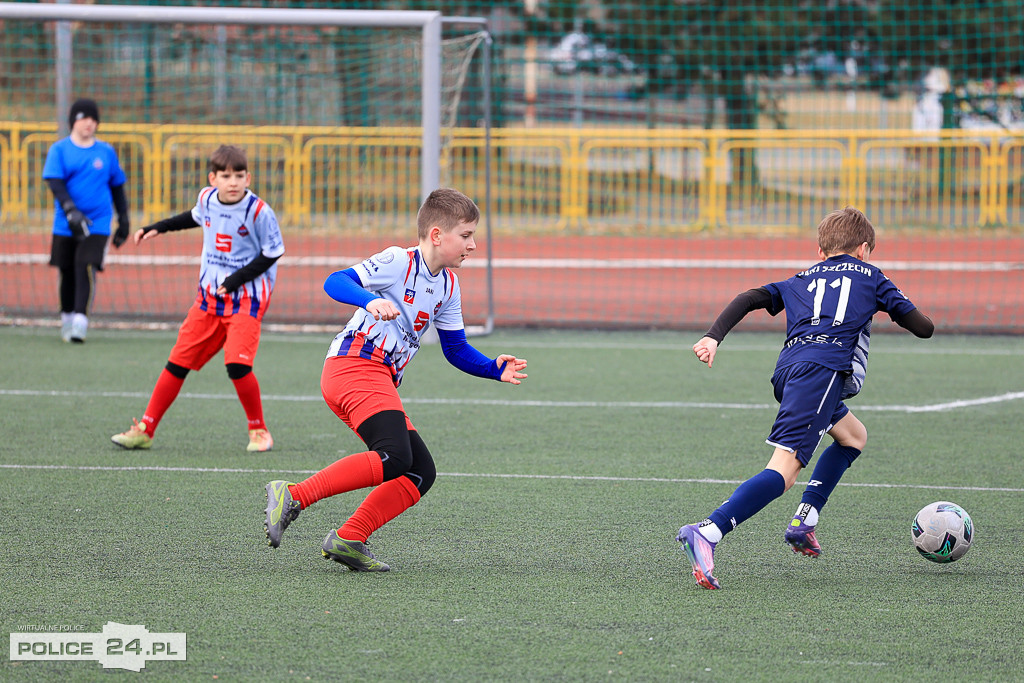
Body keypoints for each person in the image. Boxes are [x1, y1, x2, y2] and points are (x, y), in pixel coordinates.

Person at [262, 188, 528, 572]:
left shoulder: (449, 286)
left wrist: (491, 367)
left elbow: (455, 349)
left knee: (420, 471)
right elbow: (335, 281)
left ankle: (349, 538)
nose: (473, 245)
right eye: (466, 236)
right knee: (394, 456)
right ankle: (293, 494)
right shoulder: (397, 260)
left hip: (375, 376)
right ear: (437, 235)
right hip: (354, 365)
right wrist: (368, 300)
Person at [677, 207, 934, 590]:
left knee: (853, 437)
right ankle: (709, 531)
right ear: (864, 249)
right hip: (822, 374)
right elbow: (923, 328)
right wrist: (888, 301)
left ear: (820, 250)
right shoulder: (872, 276)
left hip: (789, 372)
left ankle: (805, 520)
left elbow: (748, 297)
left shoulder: (801, 278)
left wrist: (713, 336)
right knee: (784, 470)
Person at [110, 145, 284, 453]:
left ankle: (259, 431)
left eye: (239, 176)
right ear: (213, 178)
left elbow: (273, 252)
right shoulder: (206, 198)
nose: (233, 182)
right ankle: (145, 429)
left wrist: (234, 281)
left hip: (246, 299)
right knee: (177, 363)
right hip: (208, 300)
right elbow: (194, 217)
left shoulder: (259, 212)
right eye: (226, 176)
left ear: (248, 178)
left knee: (237, 366)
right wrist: (157, 228)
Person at [43, 98, 130, 343]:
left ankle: (80, 321)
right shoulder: (59, 150)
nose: (89, 124)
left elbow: (117, 186)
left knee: (85, 265)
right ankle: (67, 317)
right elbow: (55, 182)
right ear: (73, 121)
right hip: (65, 223)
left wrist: (123, 219)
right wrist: (70, 209)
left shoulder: (105, 152)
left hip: (98, 222)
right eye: (83, 118)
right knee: (67, 270)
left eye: (93, 119)